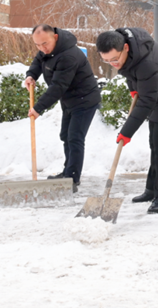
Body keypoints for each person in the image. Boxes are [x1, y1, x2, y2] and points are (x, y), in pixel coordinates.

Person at [95, 28, 158, 214]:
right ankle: (151, 189)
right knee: (154, 143)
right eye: (106, 60)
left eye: (114, 59)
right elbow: (129, 71)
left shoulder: (148, 62)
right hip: (155, 89)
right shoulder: (127, 51)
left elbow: (147, 100)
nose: (112, 64)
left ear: (125, 48)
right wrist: (133, 88)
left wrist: (126, 131)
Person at [24, 24, 101, 193]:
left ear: (55, 37)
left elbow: (58, 86)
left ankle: (72, 179)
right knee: (66, 135)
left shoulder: (69, 56)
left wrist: (38, 108)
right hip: (69, 100)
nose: (42, 48)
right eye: (37, 45)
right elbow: (38, 60)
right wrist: (31, 75)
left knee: (75, 138)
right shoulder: (47, 50)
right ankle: (68, 172)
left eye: (44, 44)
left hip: (84, 100)